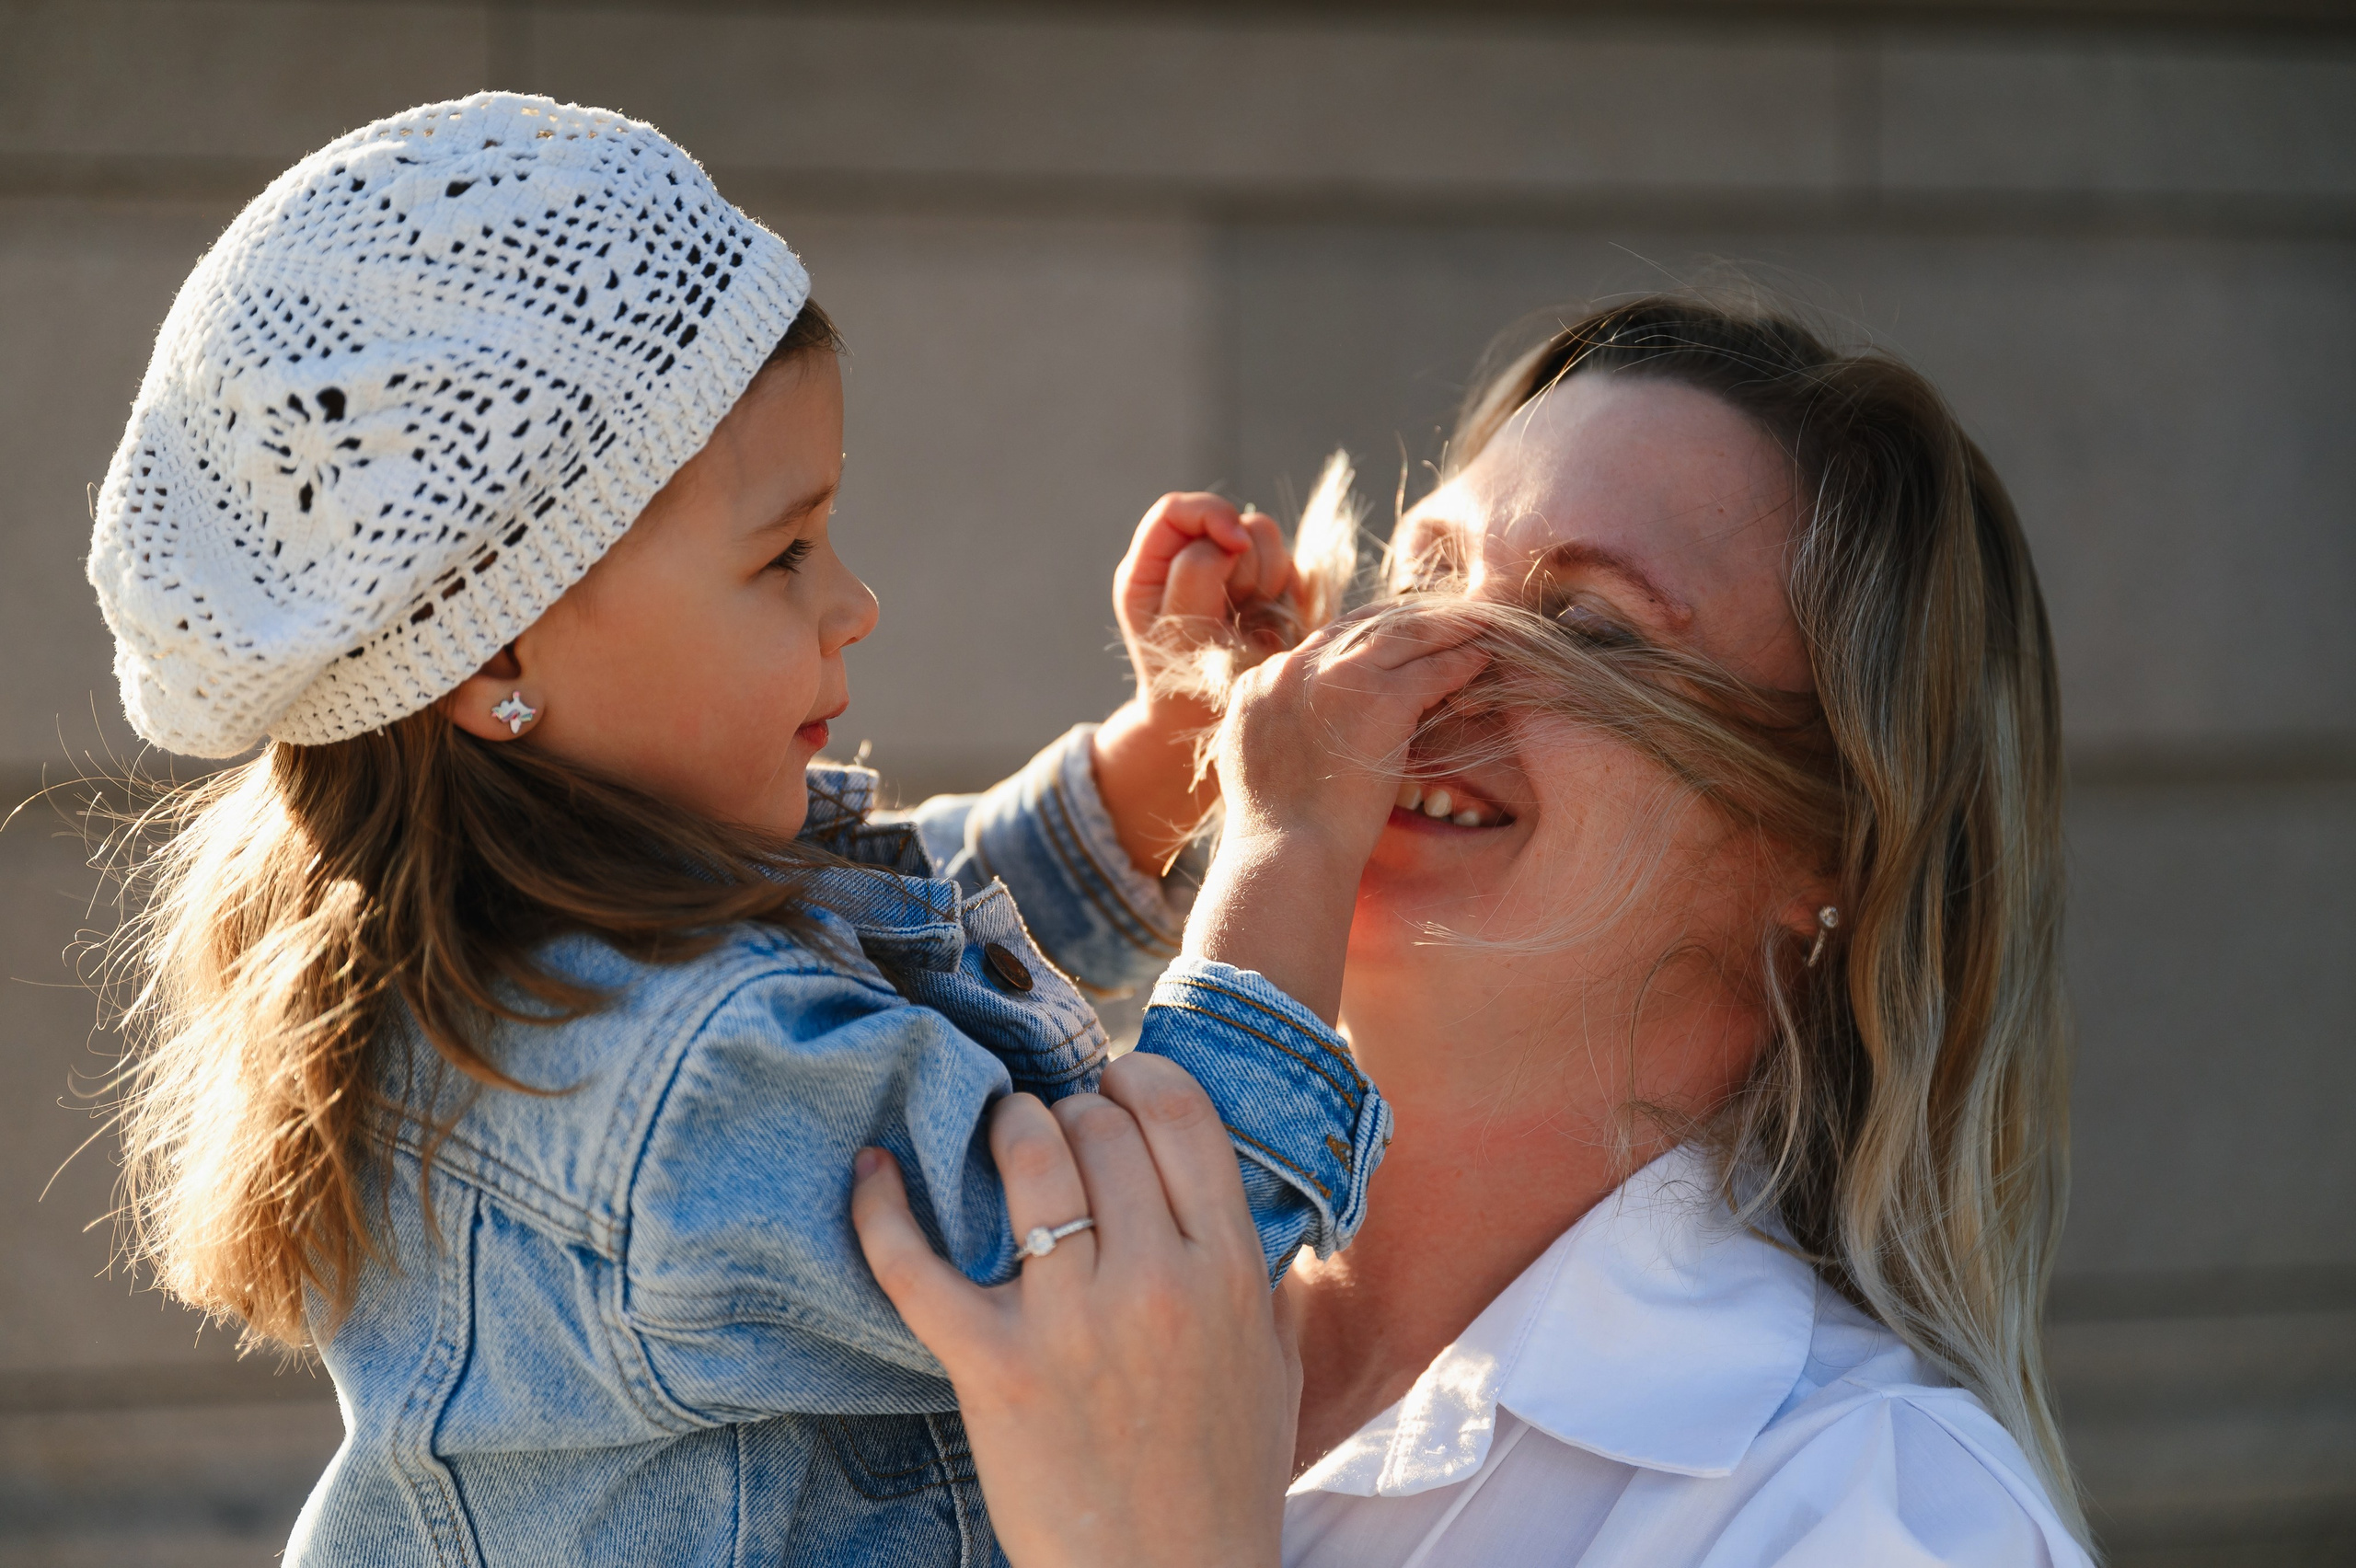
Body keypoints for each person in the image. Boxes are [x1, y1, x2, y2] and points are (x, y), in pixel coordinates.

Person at [89, 92, 1449, 1567]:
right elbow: (1141, 1290)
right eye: (781, 553)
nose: (851, 602)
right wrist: (1290, 837)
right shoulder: (668, 1080)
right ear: (494, 659)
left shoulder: (559, 941)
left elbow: (910, 933)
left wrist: (1168, 755)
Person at [857, 295, 2098, 1566]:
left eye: (1588, 631)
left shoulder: (1877, 1509)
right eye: (1428, 578)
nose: (1417, 663)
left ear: (1830, 843)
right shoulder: (994, 1218)